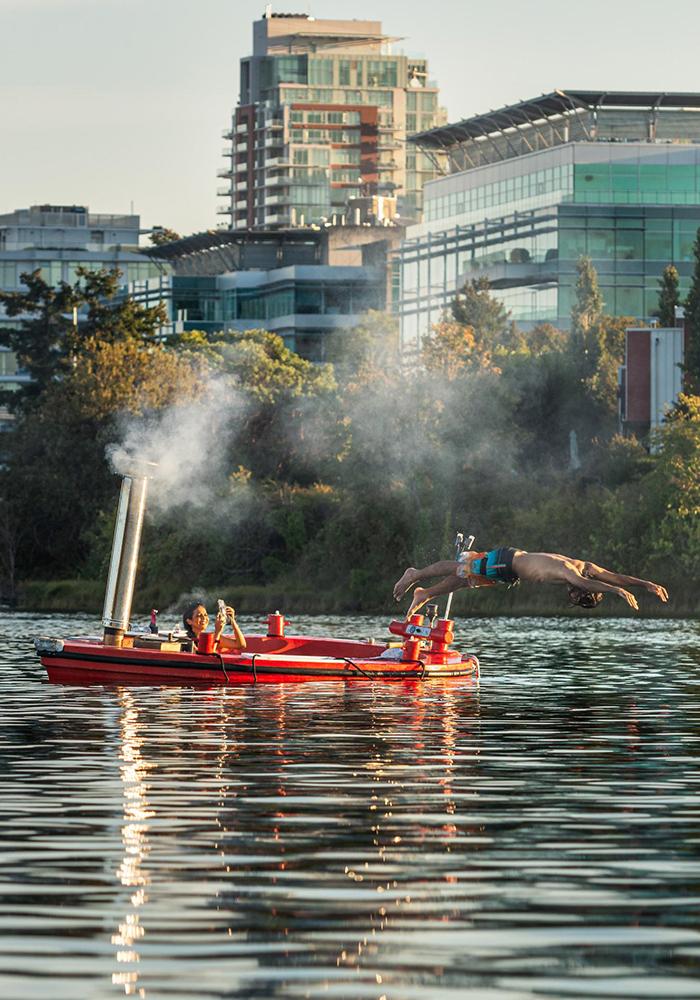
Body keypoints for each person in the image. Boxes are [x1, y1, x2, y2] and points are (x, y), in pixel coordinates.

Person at [393, 546, 669, 617]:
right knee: (461, 568)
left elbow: (613, 575)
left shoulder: (584, 567)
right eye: (576, 596)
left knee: (465, 579)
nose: (571, 595)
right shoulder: (570, 572)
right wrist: (617, 591)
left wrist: (645, 584)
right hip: (507, 562)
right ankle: (415, 574)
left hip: (508, 572)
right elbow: (598, 583)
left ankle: (425, 593)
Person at [182, 601, 247, 652]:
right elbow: (206, 657)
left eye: (205, 615)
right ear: (189, 621)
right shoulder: (186, 640)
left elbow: (241, 645)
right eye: (199, 615)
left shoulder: (213, 637)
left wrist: (233, 621)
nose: (204, 618)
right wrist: (218, 631)